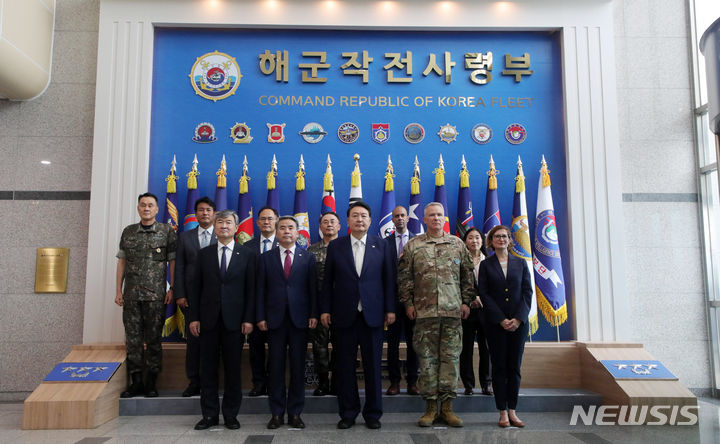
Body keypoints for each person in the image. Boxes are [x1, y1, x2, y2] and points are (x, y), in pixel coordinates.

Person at [320, 201, 395, 430]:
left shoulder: (382, 245)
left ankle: (373, 414)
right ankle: (348, 413)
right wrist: (325, 309)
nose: (359, 219)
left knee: (373, 367)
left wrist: (390, 309)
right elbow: (327, 282)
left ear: (370, 220)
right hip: (343, 315)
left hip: (373, 316)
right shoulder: (336, 246)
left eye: (363, 215)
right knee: (344, 367)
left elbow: (389, 281)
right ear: (348, 221)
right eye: (355, 216)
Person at [398, 202, 474, 427]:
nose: (436, 218)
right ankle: (430, 408)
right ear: (424, 219)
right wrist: (408, 304)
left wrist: (467, 301)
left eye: (440, 214)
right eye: (431, 215)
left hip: (452, 312)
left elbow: (467, 276)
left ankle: (448, 409)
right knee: (427, 361)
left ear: (445, 218)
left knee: (450, 360)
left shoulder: (457, 244)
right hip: (424, 313)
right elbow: (405, 279)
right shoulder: (413, 246)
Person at [188, 210, 256, 431]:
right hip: (207, 320)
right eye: (220, 222)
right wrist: (194, 318)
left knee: (233, 370)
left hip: (235, 322)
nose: (224, 226)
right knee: (207, 369)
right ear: (214, 227)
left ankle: (230, 415)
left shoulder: (247, 255)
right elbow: (195, 288)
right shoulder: (204, 254)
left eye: (228, 222)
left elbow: (251, 291)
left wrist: (248, 319)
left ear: (236, 228)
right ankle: (209, 415)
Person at [256, 216, 318, 429]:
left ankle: (295, 413)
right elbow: (260, 291)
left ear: (298, 231)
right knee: (275, 368)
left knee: (298, 368)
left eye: (291, 228)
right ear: (276, 230)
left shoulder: (308, 258)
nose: (286, 231)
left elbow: (312, 290)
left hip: (300, 320)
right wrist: (261, 316)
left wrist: (313, 314)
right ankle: (276, 413)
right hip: (274, 320)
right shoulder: (265, 258)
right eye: (282, 228)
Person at [115, 192, 176, 398]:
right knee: (132, 340)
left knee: (153, 340)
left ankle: (151, 382)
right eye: (143, 205)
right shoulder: (129, 232)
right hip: (131, 295)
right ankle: (136, 382)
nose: (147, 208)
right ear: (138, 208)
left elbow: (173, 262)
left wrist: (173, 288)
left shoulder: (166, 231)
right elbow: (122, 262)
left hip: (156, 296)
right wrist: (118, 290)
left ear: (157, 209)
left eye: (150, 205)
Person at [477, 225, 533, 428]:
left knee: (514, 368)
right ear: (490, 241)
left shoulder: (521, 263)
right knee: (499, 367)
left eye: (505, 236)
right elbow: (484, 294)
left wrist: (518, 319)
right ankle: (502, 412)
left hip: (518, 325)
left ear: (510, 240)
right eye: (497, 236)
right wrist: (501, 319)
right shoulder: (486, 265)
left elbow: (527, 293)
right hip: (496, 324)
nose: (501, 239)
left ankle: (513, 411)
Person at [173, 196, 216, 397]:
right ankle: (194, 381)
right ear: (195, 213)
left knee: (215, 342)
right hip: (191, 298)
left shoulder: (224, 235)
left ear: (214, 214)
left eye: (208, 209)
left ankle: (212, 380)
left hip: (217, 299)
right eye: (200, 210)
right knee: (194, 342)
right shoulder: (185, 237)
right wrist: (180, 293)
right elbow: (179, 267)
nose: (204, 213)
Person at [242, 206, 279, 397]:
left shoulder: (285, 244)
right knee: (256, 349)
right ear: (257, 222)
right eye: (263, 219)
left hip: (278, 308)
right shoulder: (247, 247)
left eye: (270, 219)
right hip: (255, 306)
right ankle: (258, 383)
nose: (266, 222)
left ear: (276, 221)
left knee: (276, 350)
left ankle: (273, 383)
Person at [385, 206, 419, 396]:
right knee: (392, 345)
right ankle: (394, 382)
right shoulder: (384, 243)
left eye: (402, 215)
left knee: (415, 343)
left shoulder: (418, 241)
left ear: (408, 218)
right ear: (392, 219)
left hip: (414, 302)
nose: (399, 218)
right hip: (393, 303)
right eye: (396, 215)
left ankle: (413, 381)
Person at [307, 211, 340, 396]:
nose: (329, 225)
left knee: (340, 346)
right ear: (320, 227)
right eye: (325, 222)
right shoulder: (311, 251)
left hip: (341, 306)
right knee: (319, 347)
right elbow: (309, 283)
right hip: (319, 306)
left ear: (339, 226)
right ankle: (322, 383)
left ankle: (337, 382)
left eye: (332, 222)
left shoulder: (345, 248)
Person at [460, 228, 493, 396]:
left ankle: (486, 383)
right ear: (465, 241)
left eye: (477, 238)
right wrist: (469, 299)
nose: (474, 241)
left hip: (486, 311)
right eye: (470, 238)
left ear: (483, 241)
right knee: (465, 349)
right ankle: (468, 384)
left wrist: (482, 298)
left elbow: (495, 288)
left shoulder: (489, 261)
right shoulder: (459, 261)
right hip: (466, 311)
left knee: (486, 349)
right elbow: (455, 284)